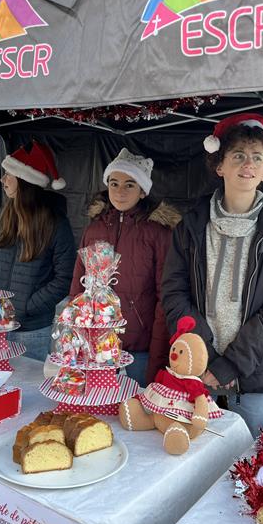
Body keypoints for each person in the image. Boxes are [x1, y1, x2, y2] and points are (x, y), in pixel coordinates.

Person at [161, 113, 263, 436]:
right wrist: (203, 357)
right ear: (219, 165)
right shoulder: (192, 227)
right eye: (238, 155)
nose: (248, 164)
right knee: (192, 465)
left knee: (250, 469)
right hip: (196, 372)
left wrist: (230, 364)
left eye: (257, 157)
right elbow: (174, 292)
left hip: (252, 380)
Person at [70, 148, 180, 386]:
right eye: (114, 183)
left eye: (130, 184)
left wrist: (157, 357)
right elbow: (77, 288)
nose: (120, 191)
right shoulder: (94, 229)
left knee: (133, 416)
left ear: (142, 191)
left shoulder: (157, 233)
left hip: (138, 349)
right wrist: (75, 338)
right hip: (95, 345)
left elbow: (166, 298)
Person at [0, 141, 75, 361]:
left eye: (8, 175)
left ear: (23, 180)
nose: (2, 179)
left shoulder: (55, 223)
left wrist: (28, 306)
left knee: (30, 390)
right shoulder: (3, 215)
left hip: (33, 330)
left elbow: (65, 277)